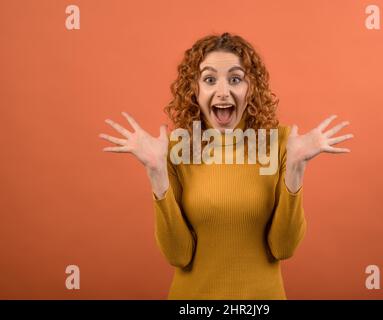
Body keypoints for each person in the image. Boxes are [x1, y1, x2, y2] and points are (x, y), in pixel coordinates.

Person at [99, 32, 354, 299]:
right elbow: (178, 255)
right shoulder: (176, 149)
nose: (223, 92)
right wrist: (156, 172)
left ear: (251, 87)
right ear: (194, 90)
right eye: (210, 79)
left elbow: (283, 248)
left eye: (235, 79)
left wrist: (296, 168)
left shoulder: (283, 145)